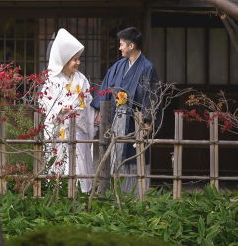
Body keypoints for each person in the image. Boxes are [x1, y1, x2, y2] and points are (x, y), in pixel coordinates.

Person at [90, 27, 160, 194]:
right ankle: (114, 193)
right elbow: (106, 88)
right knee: (113, 154)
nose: (119, 48)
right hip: (116, 119)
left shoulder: (147, 68)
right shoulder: (117, 66)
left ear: (132, 46)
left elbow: (153, 95)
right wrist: (100, 110)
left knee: (134, 157)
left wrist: (148, 121)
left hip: (135, 122)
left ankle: (135, 195)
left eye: (121, 45)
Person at [38, 28, 97, 193]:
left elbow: (87, 103)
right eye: (74, 59)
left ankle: (82, 194)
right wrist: (58, 109)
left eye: (78, 59)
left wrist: (94, 118)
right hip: (60, 132)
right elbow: (43, 103)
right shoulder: (52, 80)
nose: (78, 62)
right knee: (60, 164)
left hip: (78, 131)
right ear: (64, 60)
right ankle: (58, 195)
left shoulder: (81, 79)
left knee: (80, 163)